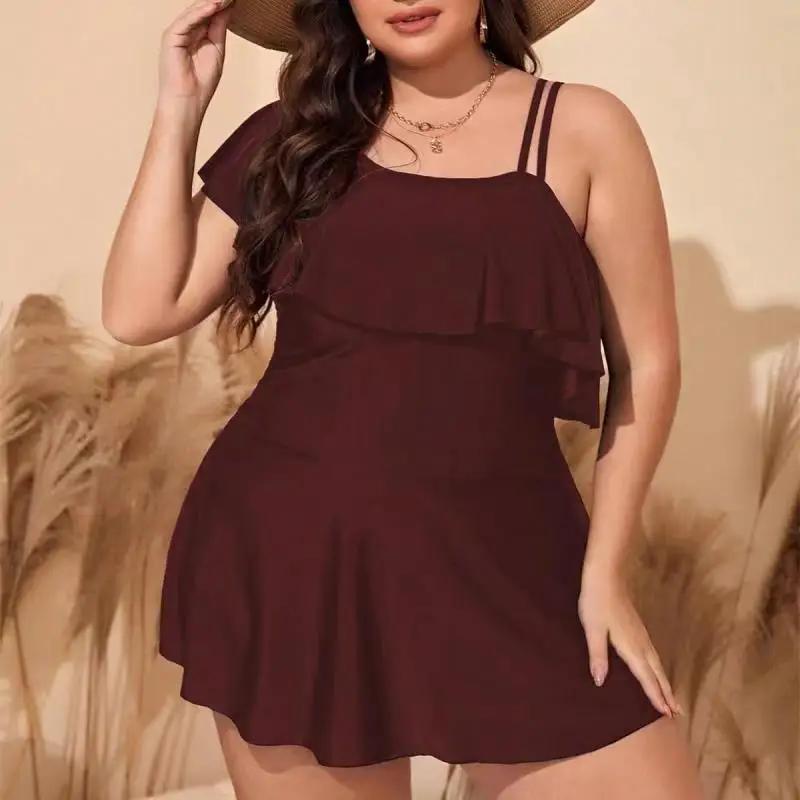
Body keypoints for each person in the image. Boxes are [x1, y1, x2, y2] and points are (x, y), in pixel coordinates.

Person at [101, 0, 707, 797]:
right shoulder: (296, 136)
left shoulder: (586, 128)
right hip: (295, 553)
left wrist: (605, 572)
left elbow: (647, 362)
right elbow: (139, 310)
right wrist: (180, 110)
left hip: (511, 555)